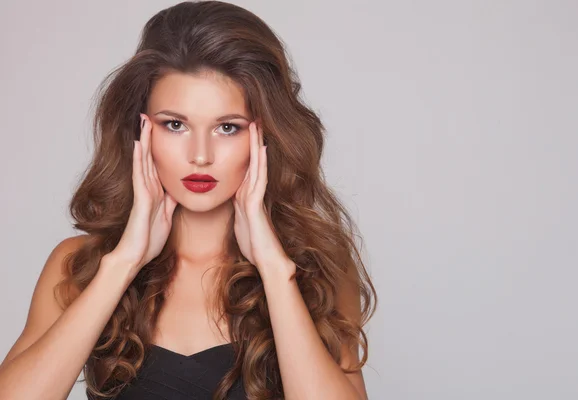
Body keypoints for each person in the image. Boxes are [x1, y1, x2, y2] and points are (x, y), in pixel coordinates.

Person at [0, 1, 377, 399]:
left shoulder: (317, 269)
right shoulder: (79, 264)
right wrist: (123, 264)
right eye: (175, 124)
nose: (200, 155)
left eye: (227, 127)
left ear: (264, 137)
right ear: (140, 130)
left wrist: (274, 270)